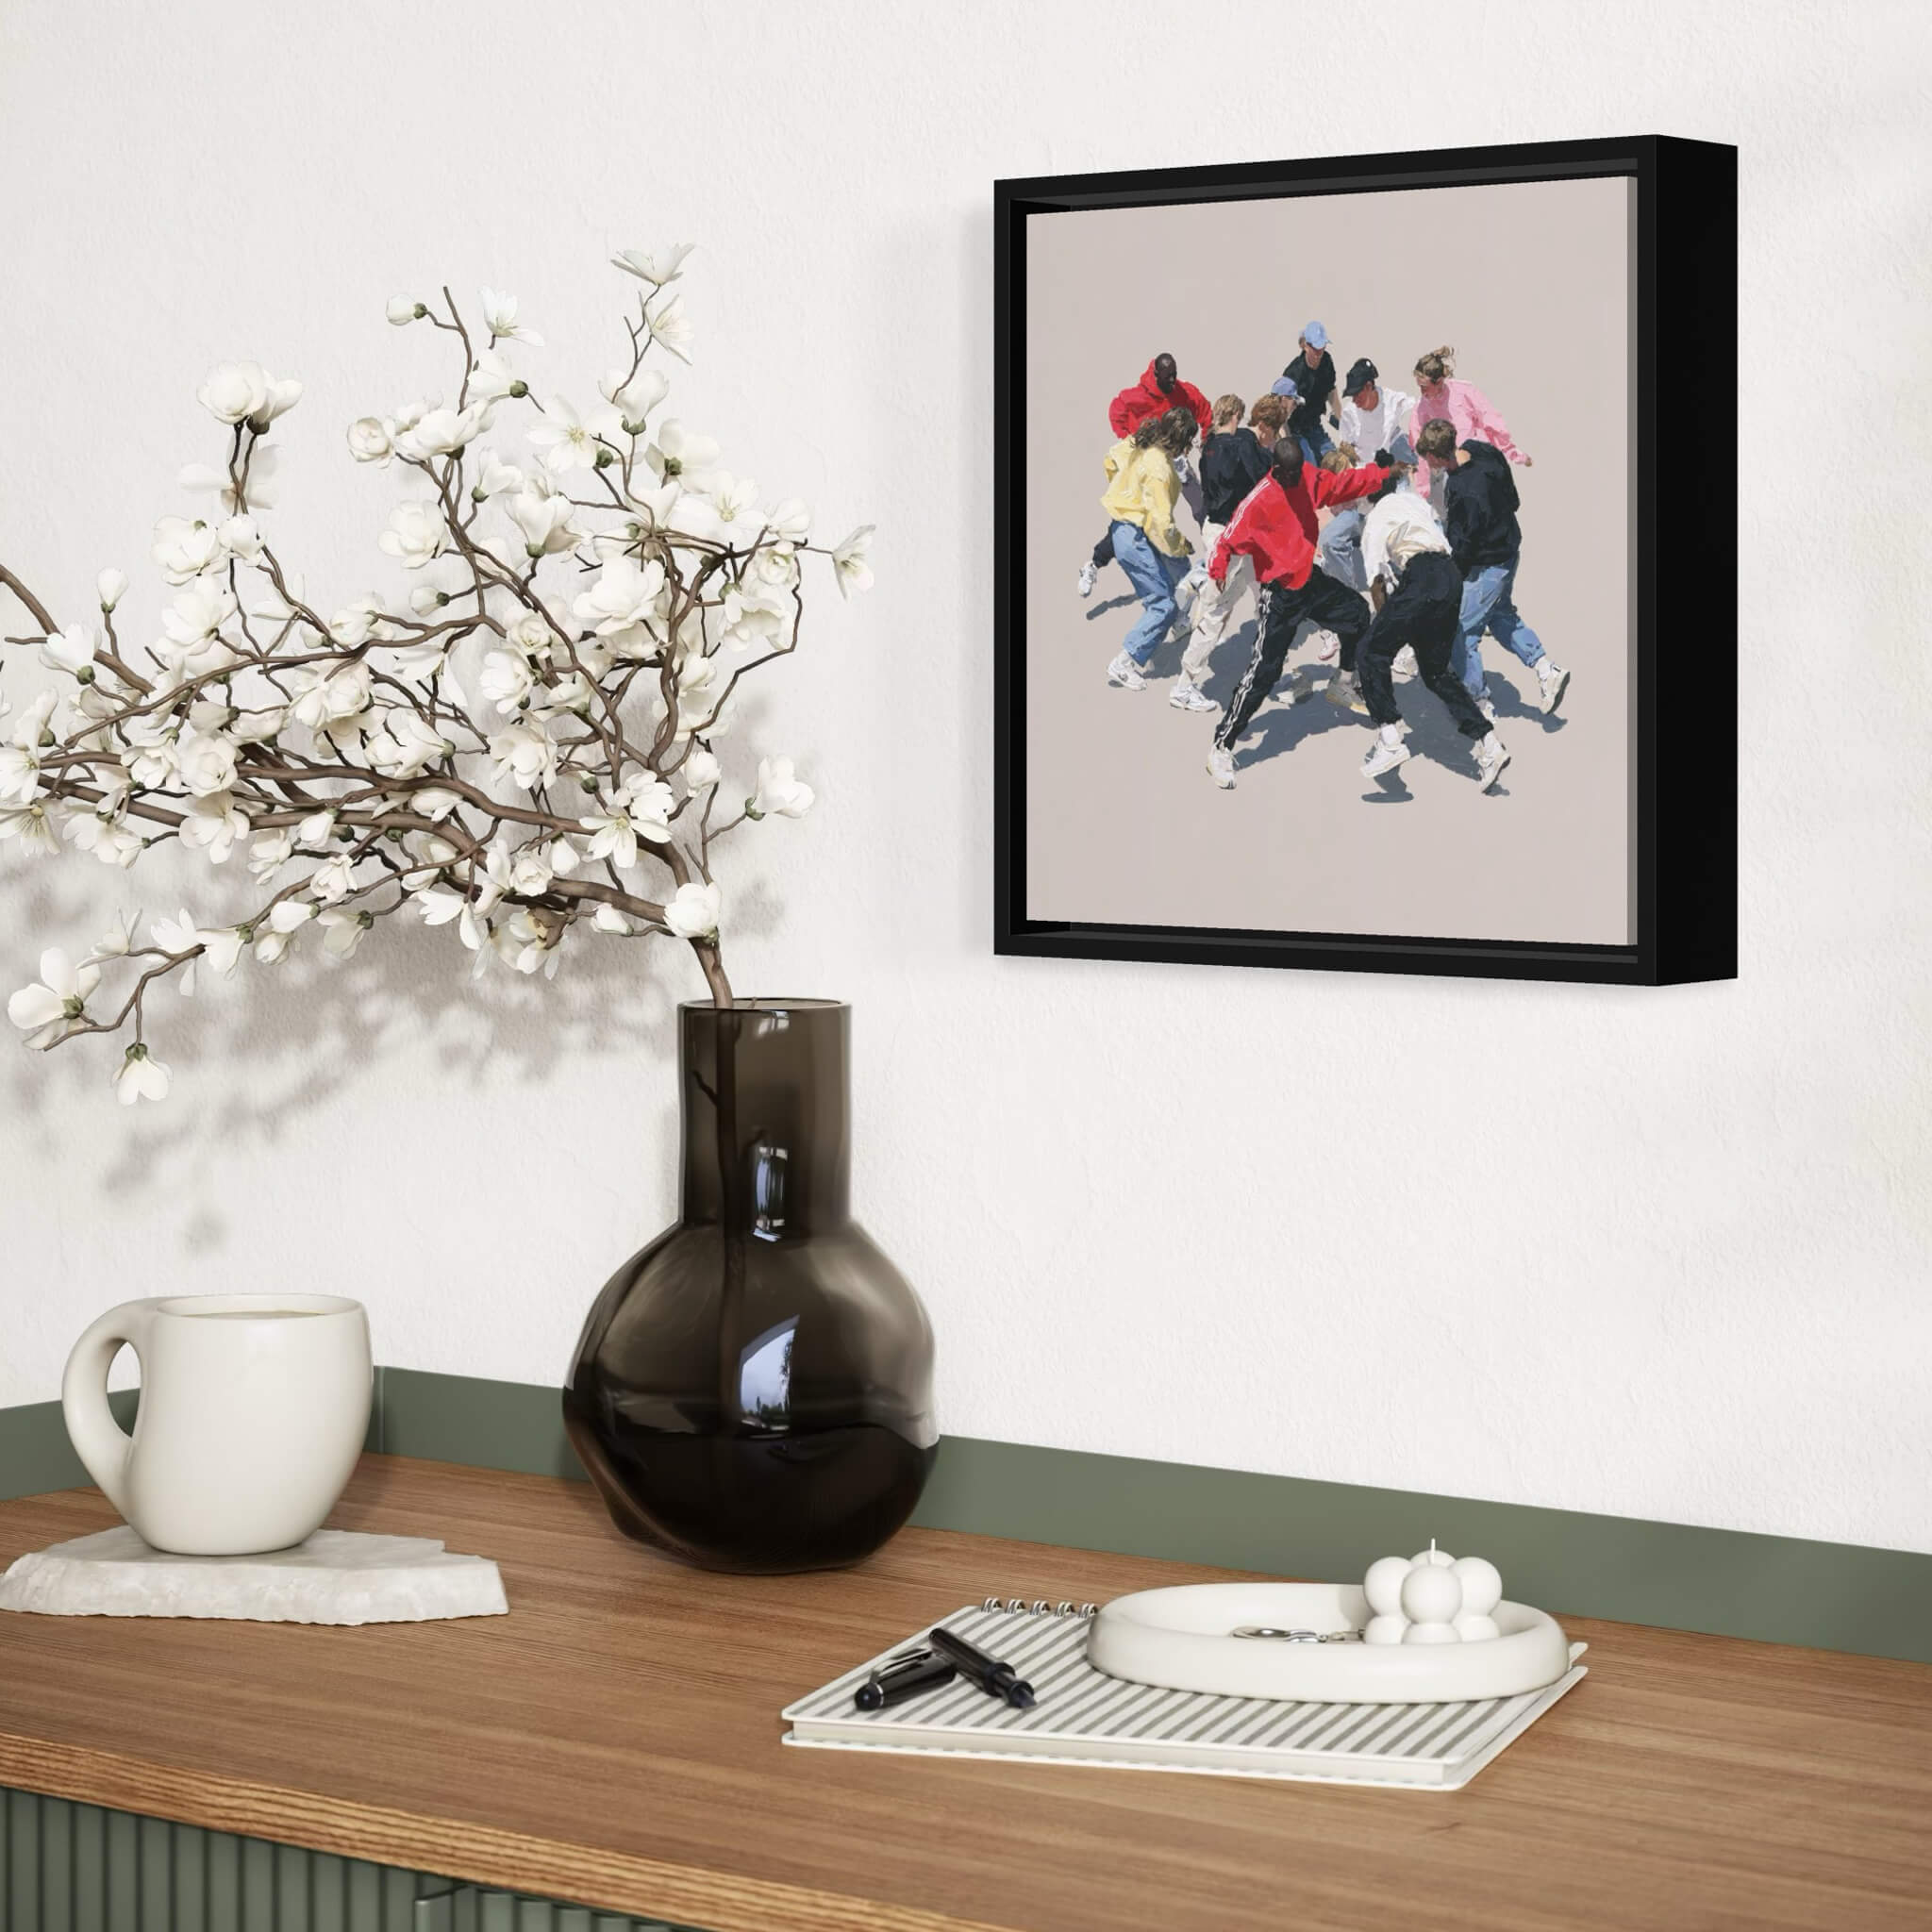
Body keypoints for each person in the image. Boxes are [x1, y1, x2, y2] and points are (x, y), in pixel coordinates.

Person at [1202, 442, 1396, 790]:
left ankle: (1342, 684)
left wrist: (1380, 474)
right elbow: (1227, 540)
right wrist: (1217, 570)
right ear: (1276, 468)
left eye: (1297, 474)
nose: (1294, 481)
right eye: (1288, 475)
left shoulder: (1307, 475)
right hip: (1280, 596)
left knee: (1356, 614)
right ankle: (1222, 745)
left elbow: (1340, 486)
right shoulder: (1259, 500)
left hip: (1309, 581)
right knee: (1264, 672)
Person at [1353, 475, 1512, 792]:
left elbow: (1377, 582)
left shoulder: (1375, 519)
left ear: (1367, 499)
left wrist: (1387, 629)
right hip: (1449, 576)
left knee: (1370, 651)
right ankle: (1490, 744)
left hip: (1422, 576)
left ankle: (1389, 737)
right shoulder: (1413, 500)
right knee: (1436, 673)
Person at [1415, 419, 1570, 718]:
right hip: (1510, 548)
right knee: (1499, 615)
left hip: (1489, 567)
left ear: (1436, 456)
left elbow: (1463, 547)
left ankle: (1477, 700)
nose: (1427, 465)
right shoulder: (1481, 449)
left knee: (1462, 629)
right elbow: (1513, 498)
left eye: (1427, 459)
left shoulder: (1462, 490)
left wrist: (1449, 578)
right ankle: (1545, 669)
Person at [1169, 391, 1284, 711]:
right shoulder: (1240, 445)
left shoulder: (1208, 448)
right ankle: (1185, 684)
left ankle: (1270, 662)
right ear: (1235, 416)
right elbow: (1265, 473)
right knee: (1216, 610)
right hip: (1231, 539)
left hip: (1219, 531)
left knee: (1259, 591)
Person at [1077, 355, 1212, 596]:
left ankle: (1215, 545)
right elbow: (1116, 410)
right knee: (1132, 518)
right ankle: (1094, 564)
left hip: (1176, 458)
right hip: (1149, 463)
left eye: (1175, 374)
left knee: (1199, 502)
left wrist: (1206, 436)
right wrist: (1130, 437)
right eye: (1168, 376)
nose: (1173, 380)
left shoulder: (1183, 391)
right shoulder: (1136, 396)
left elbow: (1203, 408)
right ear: (1156, 374)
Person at [1098, 408, 1196, 691]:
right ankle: (1126, 661)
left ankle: (1180, 622)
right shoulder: (1161, 471)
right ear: (1182, 441)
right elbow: (1162, 526)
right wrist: (1181, 545)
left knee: (1182, 572)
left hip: (1129, 526)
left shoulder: (1141, 439)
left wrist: (1124, 489)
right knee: (1161, 603)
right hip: (1134, 537)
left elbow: (1110, 458)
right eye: (1190, 442)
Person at [1408, 346, 1530, 513]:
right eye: (1419, 386)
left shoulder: (1464, 391)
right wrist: (1424, 491)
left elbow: (1491, 421)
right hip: (1448, 473)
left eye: (1425, 386)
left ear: (1439, 381)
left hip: (1477, 462)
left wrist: (1511, 451)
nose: (1422, 392)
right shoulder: (1420, 409)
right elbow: (1419, 451)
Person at [1279, 321, 1340, 468]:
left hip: (1315, 426)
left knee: (1336, 463)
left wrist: (1341, 421)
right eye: (1315, 348)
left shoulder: (1327, 361)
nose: (1319, 353)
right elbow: (1282, 415)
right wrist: (1288, 445)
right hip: (1296, 430)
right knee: (1310, 467)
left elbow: (1331, 392)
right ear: (1305, 345)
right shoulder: (1294, 374)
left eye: (1322, 347)